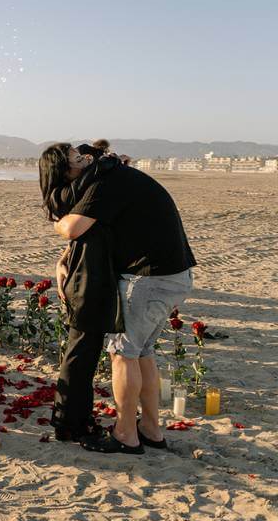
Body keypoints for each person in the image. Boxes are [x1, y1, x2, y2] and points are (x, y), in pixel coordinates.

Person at [52, 146, 197, 454]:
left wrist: (57, 222)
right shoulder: (117, 174)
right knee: (142, 352)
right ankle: (150, 429)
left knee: (122, 354)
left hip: (149, 278)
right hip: (175, 274)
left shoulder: (105, 181)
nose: (75, 169)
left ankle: (125, 434)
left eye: (75, 163)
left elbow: (72, 228)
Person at [40, 142, 126, 443]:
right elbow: (76, 225)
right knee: (80, 353)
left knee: (83, 353)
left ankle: (73, 419)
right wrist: (105, 164)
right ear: (64, 170)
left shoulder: (74, 190)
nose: (85, 161)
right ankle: (68, 423)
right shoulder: (64, 193)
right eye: (78, 159)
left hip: (89, 271)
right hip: (87, 276)